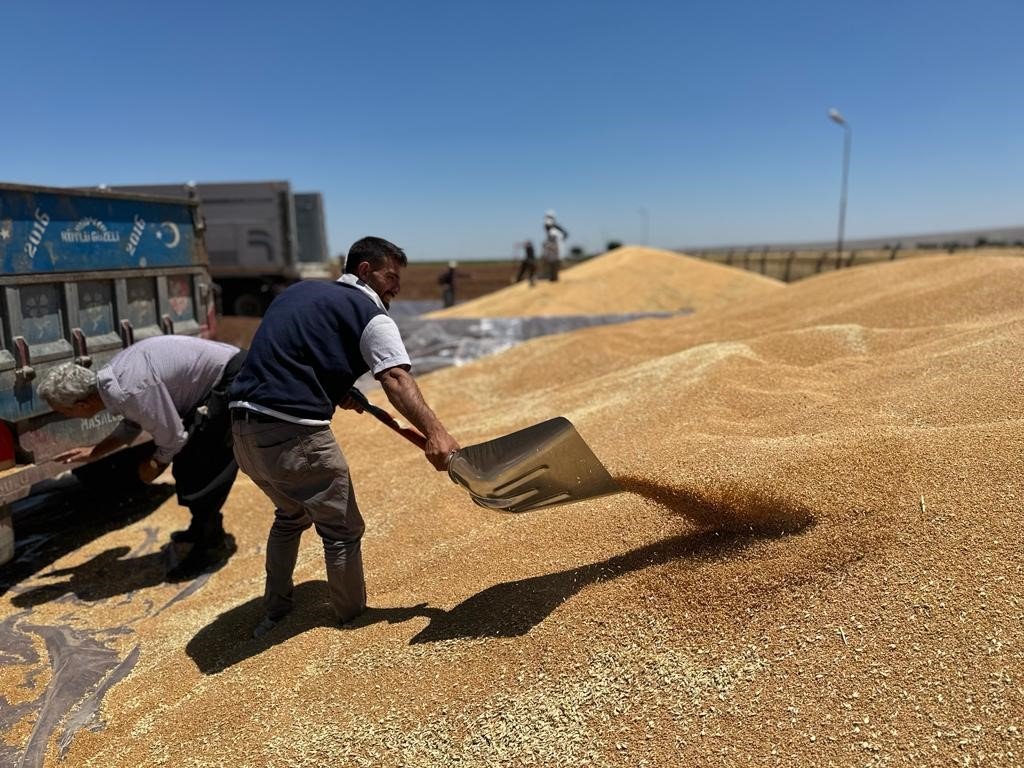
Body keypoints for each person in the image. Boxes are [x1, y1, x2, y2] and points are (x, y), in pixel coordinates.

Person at [228, 235, 460, 638]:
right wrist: (436, 433)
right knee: (341, 530)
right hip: (292, 432)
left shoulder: (298, 293)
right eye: (390, 277)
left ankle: (275, 612)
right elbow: (395, 378)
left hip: (243, 433)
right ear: (365, 270)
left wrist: (336, 390)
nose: (397, 288)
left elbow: (290, 351)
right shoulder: (369, 312)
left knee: (289, 516)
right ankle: (354, 623)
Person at [36, 336, 246, 581]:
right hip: (219, 376)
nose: (66, 416)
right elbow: (132, 424)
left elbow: (173, 438)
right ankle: (201, 527)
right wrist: (95, 451)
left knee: (199, 464)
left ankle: (211, 545)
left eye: (64, 411)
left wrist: (155, 464)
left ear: (81, 405)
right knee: (190, 462)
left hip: (232, 378)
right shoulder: (111, 380)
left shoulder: (129, 389)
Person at [542, 210, 568, 281]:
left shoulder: (553, 229)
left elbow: (564, 234)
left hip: (554, 246)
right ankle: (553, 276)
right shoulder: (553, 229)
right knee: (552, 261)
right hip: (553, 245)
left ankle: (553, 277)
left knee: (553, 261)